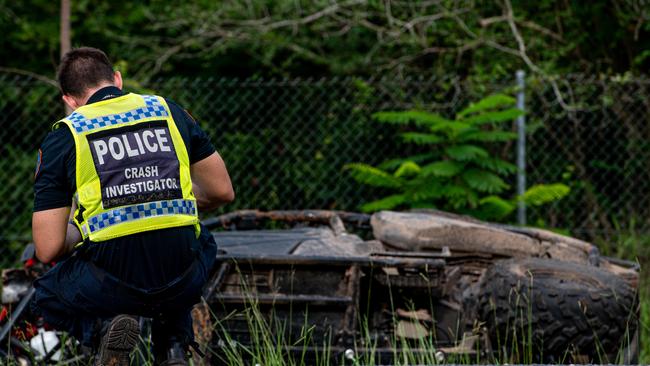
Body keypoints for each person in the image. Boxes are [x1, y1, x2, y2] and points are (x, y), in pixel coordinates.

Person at [31, 47, 234, 365]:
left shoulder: (64, 136)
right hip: (181, 276)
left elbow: (48, 248)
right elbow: (221, 191)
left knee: (46, 294)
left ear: (69, 99)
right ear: (117, 79)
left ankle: (104, 334)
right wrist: (162, 197)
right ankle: (173, 346)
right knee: (201, 242)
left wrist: (79, 225)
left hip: (113, 282)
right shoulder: (167, 110)